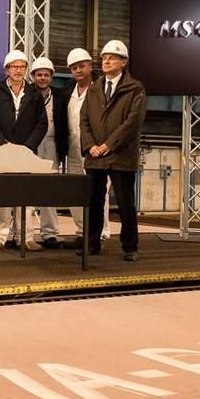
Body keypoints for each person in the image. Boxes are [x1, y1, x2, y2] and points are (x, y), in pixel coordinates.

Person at [80, 39, 147, 262]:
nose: (106, 61)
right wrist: (90, 146)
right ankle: (92, 243)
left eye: (112, 58)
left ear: (124, 62)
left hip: (121, 155)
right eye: (104, 58)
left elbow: (132, 122)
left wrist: (108, 145)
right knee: (94, 201)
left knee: (125, 203)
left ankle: (130, 246)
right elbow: (84, 120)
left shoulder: (135, 88)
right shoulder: (94, 89)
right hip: (95, 156)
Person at [0, 50, 47, 252]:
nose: (18, 70)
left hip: (26, 152)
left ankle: (25, 237)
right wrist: (2, 145)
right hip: (1, 151)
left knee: (25, 194)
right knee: (0, 193)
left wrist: (28, 147)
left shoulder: (34, 94)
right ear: (6, 70)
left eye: (22, 66)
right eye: (14, 66)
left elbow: (41, 123)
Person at [62, 47, 110, 248]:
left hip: (95, 151)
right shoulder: (68, 91)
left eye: (81, 66)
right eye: (74, 68)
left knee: (98, 194)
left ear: (90, 66)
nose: (78, 70)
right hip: (73, 150)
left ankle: (101, 233)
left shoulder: (102, 89)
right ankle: (83, 232)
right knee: (75, 192)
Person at [30, 56, 69, 249]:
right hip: (31, 145)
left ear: (51, 77)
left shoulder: (60, 96)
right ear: (33, 76)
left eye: (46, 75)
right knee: (26, 189)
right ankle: (22, 234)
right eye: (39, 75)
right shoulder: (27, 94)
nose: (43, 78)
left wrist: (63, 151)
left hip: (52, 144)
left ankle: (50, 233)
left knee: (49, 189)